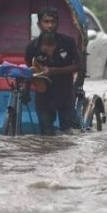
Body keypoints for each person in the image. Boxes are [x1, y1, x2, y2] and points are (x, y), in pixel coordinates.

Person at [24, 7, 81, 135]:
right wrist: (26, 91)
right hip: (44, 97)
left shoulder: (68, 43)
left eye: (53, 22)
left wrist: (55, 71)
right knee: (47, 136)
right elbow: (29, 71)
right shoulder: (32, 47)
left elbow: (78, 66)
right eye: (46, 22)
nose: (49, 26)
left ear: (57, 24)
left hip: (65, 95)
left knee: (67, 134)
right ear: (39, 24)